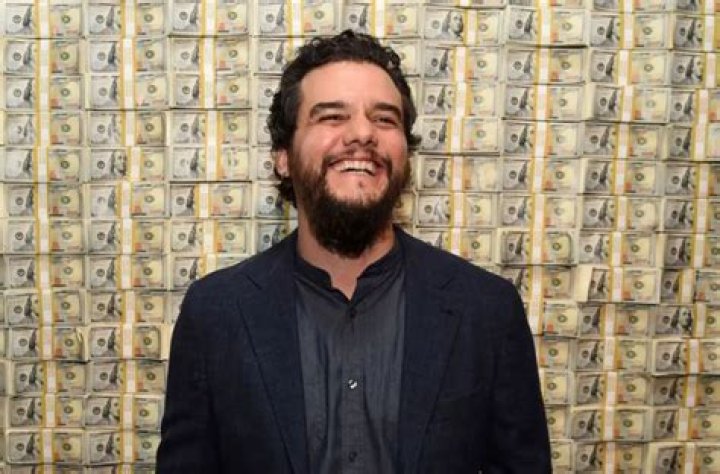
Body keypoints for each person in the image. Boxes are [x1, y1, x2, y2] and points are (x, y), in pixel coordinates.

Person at [157, 30, 550, 473]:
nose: (362, 133)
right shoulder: (215, 314)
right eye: (332, 117)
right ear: (283, 155)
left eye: (384, 119)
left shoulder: (486, 310)